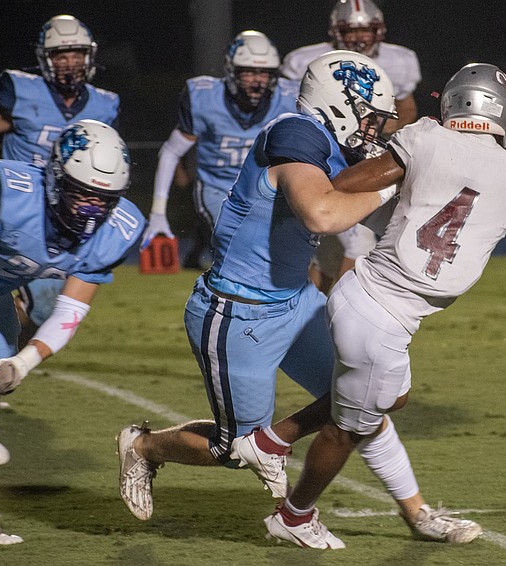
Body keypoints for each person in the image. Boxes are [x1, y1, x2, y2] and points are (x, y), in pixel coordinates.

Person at [118, 51, 480, 548]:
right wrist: (394, 185)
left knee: (368, 399)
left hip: (295, 300)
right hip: (236, 311)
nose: (375, 128)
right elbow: (322, 216)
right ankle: (144, 446)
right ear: (338, 106)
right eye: (369, 116)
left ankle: (416, 513)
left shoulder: (334, 145)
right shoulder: (294, 133)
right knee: (233, 449)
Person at [264, 62, 506, 548]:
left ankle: (276, 439)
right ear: (503, 113)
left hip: (367, 298)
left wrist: (414, 176)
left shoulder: (425, 136)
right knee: (346, 430)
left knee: (388, 400)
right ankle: (294, 515)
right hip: (380, 314)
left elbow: (347, 184)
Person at [0, 120, 143, 545]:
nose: (90, 210)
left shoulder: (116, 231)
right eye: (82, 193)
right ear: (55, 178)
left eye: (104, 200)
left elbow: (70, 309)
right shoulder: (15, 194)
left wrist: (26, 362)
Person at [0, 14, 121, 467]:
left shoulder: (105, 104)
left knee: (22, 332)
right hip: (14, 216)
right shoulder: (23, 90)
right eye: (60, 54)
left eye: (76, 53)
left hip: (61, 230)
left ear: (90, 57)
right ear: (44, 60)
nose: (70, 62)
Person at [281, 0, 422, 293]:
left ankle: (309, 312)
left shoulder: (400, 60)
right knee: (353, 240)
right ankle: (340, 311)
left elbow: (406, 109)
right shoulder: (303, 60)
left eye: (366, 30)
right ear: (335, 31)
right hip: (320, 153)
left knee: (330, 252)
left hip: (361, 156)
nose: (359, 38)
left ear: (379, 30)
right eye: (350, 30)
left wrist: (377, 136)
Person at [140, 30, 299, 267]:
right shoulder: (205, 98)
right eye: (249, 71)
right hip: (218, 187)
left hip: (266, 189)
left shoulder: (289, 97)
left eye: (264, 73)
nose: (257, 80)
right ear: (232, 71)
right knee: (239, 246)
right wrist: (158, 211)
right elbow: (172, 151)